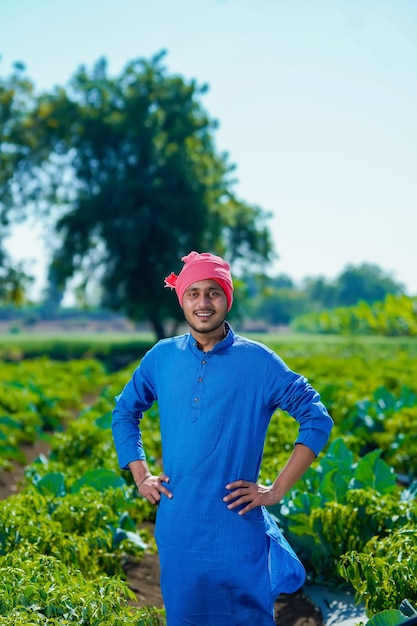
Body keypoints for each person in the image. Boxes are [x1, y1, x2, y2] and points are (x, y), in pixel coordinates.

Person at [112, 251, 333, 626]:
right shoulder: (160, 358)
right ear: (181, 299)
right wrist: (140, 474)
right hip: (179, 524)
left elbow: (316, 418)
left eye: (213, 293)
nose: (203, 303)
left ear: (227, 299)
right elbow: (124, 412)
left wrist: (276, 491)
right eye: (193, 293)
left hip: (236, 525)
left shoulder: (259, 362)